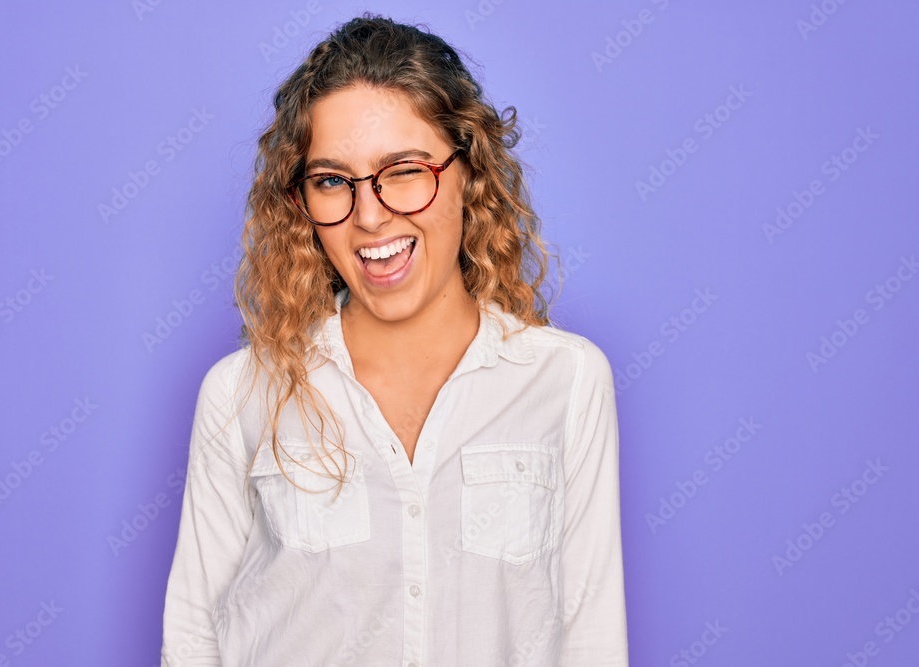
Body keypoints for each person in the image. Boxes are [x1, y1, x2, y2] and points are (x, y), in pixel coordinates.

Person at [161, 14, 628, 667]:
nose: (371, 214)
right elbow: (192, 639)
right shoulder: (241, 393)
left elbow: (592, 641)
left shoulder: (567, 381)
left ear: (469, 170)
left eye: (404, 170)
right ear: (302, 201)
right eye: (331, 180)